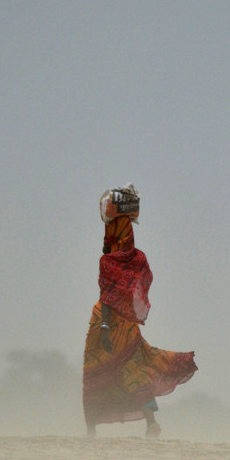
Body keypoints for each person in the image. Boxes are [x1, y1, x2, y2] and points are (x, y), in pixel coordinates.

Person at [82, 184, 197, 438]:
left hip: (106, 320)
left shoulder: (109, 261)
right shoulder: (137, 259)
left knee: (95, 371)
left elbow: (108, 295)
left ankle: (92, 429)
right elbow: (136, 290)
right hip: (127, 322)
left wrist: (104, 327)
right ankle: (150, 423)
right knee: (135, 371)